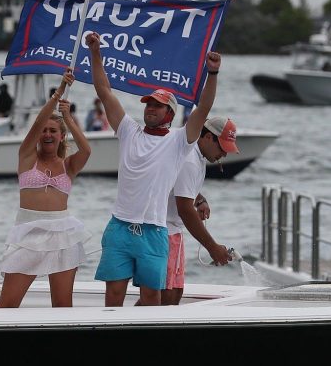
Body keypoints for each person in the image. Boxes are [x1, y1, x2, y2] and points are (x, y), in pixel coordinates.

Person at [88, 31, 222, 306]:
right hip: (120, 226)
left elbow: (204, 108)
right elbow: (104, 91)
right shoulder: (128, 131)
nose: (150, 108)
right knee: (113, 296)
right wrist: (95, 52)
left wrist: (213, 73)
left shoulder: (179, 141)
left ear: (170, 115)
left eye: (158, 106)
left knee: (152, 298)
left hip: (154, 231)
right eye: (149, 103)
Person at [0, 71, 93, 308]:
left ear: (61, 136)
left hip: (63, 233)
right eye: (44, 131)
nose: (47, 134)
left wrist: (67, 117)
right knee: (8, 302)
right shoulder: (27, 156)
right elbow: (38, 121)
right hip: (28, 232)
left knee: (62, 304)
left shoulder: (68, 165)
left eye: (53, 131)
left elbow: (87, 150)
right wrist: (58, 91)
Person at [161, 117, 239, 305]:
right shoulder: (191, 160)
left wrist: (199, 198)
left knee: (175, 293)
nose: (224, 154)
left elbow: (180, 186)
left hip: (173, 232)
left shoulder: (198, 155)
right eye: (222, 148)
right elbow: (185, 210)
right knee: (163, 296)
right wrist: (212, 247)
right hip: (163, 231)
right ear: (208, 137)